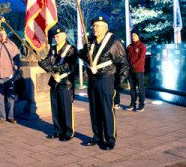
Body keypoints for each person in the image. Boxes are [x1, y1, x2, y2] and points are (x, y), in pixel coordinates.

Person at [79, 15, 129, 150]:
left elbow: (124, 64)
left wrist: (118, 84)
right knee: (94, 110)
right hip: (93, 80)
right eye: (94, 26)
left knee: (107, 110)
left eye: (99, 26)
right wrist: (85, 49)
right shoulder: (91, 42)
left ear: (105, 28)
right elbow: (83, 56)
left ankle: (110, 139)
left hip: (107, 79)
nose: (95, 28)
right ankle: (97, 136)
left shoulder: (114, 42)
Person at [38, 26, 77, 142]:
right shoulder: (53, 49)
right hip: (54, 82)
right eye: (55, 36)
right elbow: (47, 62)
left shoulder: (71, 49)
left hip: (66, 82)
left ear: (65, 36)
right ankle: (58, 130)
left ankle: (68, 132)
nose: (56, 38)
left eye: (59, 36)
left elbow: (68, 65)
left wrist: (53, 67)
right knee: (55, 108)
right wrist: (42, 63)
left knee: (66, 108)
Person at [0, 26, 20, 124]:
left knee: (10, 97)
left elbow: (17, 57)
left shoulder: (11, 44)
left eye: (3, 33)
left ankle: (11, 116)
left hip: (9, 75)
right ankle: (1, 117)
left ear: (6, 34)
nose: (1, 35)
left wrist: (16, 67)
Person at [126, 29, 147, 112]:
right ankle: (132, 104)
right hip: (130, 71)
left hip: (138, 70)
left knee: (140, 88)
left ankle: (141, 104)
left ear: (138, 36)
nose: (133, 37)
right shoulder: (130, 46)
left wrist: (133, 66)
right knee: (132, 88)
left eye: (135, 35)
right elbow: (126, 58)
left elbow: (141, 59)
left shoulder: (142, 46)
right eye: (132, 35)